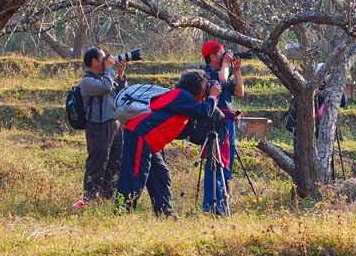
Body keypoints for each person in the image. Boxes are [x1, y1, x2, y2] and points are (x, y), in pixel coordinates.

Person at [115, 69, 222, 217]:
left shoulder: (185, 102)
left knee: (161, 175)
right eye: (206, 84)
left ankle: (166, 214)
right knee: (134, 176)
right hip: (140, 135)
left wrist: (220, 107)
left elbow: (195, 130)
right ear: (196, 85)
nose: (207, 87)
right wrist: (212, 96)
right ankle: (121, 213)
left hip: (149, 141)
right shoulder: (181, 95)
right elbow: (202, 111)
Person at [74, 48, 128, 209]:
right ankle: (89, 199)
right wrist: (110, 71)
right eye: (103, 59)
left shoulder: (107, 77)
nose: (107, 61)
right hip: (97, 126)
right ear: (94, 62)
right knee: (97, 163)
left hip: (115, 124)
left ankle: (107, 198)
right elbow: (105, 88)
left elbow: (121, 93)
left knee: (115, 161)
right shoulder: (87, 81)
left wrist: (120, 75)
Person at [200, 40, 245, 215]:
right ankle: (211, 206)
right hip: (214, 124)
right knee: (214, 164)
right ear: (212, 56)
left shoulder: (224, 72)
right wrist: (226, 64)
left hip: (228, 125)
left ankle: (222, 205)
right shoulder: (206, 74)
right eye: (221, 53)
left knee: (226, 165)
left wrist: (237, 70)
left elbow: (240, 93)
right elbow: (222, 80)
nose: (225, 55)